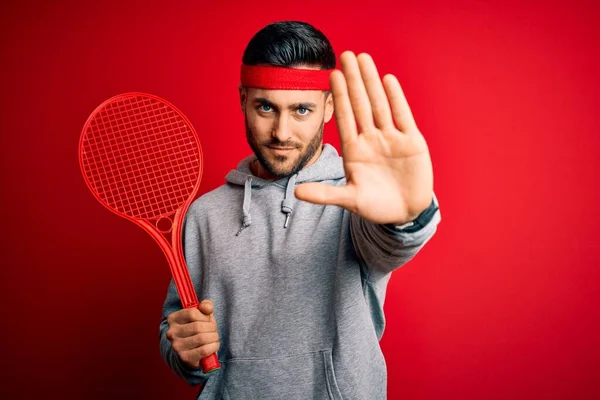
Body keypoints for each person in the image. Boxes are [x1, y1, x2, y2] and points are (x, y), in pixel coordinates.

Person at [159, 20, 441, 399]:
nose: (282, 132)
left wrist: (406, 217)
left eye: (302, 110)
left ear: (328, 108)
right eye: (266, 107)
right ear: (243, 99)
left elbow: (390, 244)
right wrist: (183, 349)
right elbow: (176, 331)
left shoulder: (354, 201)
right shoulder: (202, 216)